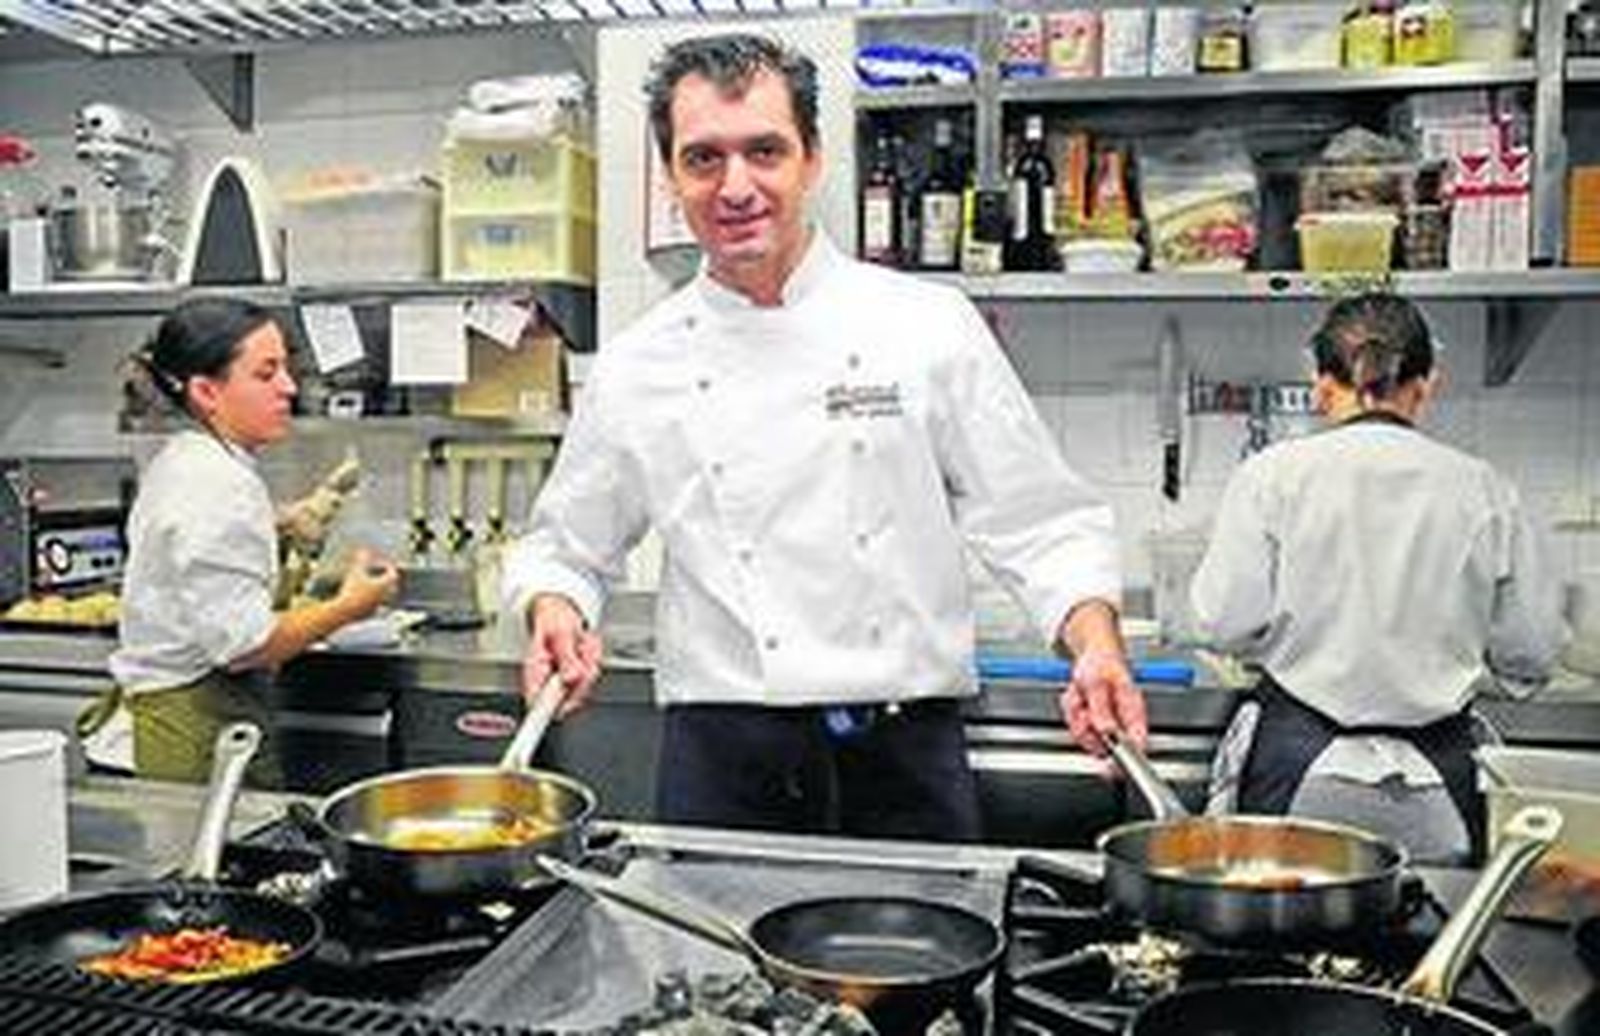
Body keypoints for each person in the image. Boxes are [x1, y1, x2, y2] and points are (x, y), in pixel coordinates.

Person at [502, 33, 1143, 841]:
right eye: (704, 159)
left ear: (811, 158)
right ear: (671, 177)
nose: (736, 186)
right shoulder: (639, 363)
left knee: (925, 965)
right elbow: (566, 545)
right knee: (708, 967)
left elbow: (1039, 520)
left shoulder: (925, 324)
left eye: (764, 151)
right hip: (723, 758)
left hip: (905, 753)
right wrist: (555, 610)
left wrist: (1096, 646)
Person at [1190, 293, 1567, 864]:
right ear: (1427, 384)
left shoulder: (1271, 476)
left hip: (1297, 781)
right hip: (1439, 791)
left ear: (1321, 385)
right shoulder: (1485, 488)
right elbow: (1532, 652)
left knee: (1275, 942)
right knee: (1435, 940)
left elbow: (1224, 623)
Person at [97, 298, 399, 787]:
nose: (289, 387)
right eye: (266, 373)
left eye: (286, 369)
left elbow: (193, 540)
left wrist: (280, 520)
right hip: (192, 734)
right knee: (210, 863)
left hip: (177, 717)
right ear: (206, 391)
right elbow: (246, 644)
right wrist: (351, 605)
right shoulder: (218, 483)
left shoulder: (192, 458)